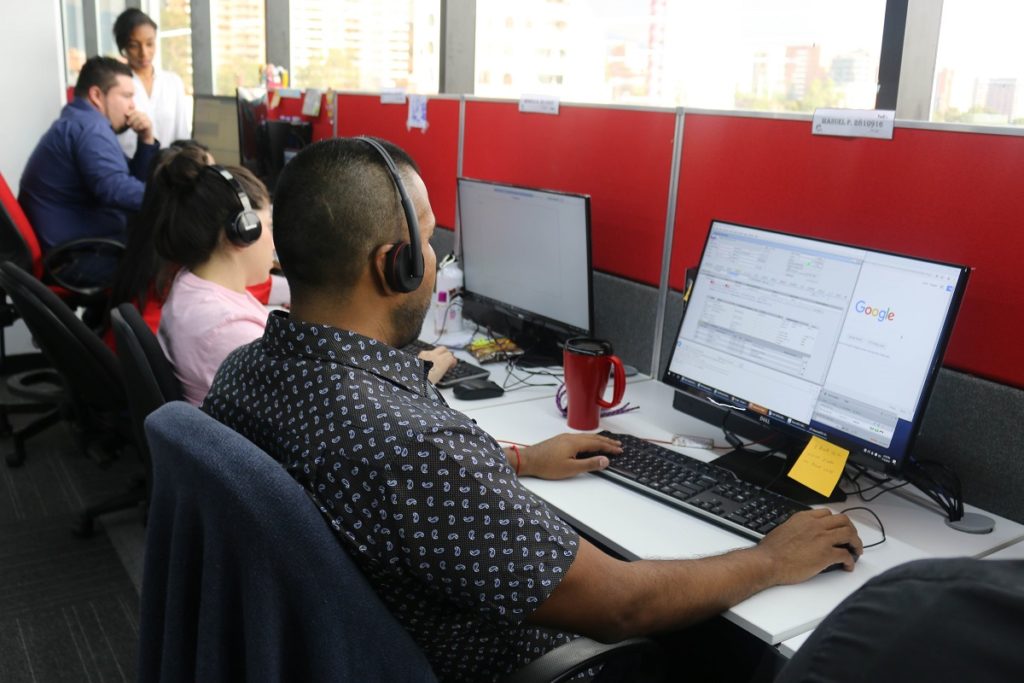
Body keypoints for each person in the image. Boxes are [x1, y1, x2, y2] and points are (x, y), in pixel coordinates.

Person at [201, 137, 864, 683]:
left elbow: (380, 487)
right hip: (500, 662)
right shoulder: (414, 448)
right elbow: (622, 605)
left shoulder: (244, 372)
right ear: (392, 267)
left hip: (336, 650)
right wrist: (771, 558)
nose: (433, 258)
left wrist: (515, 459)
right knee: (734, 652)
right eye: (428, 241)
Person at [19, 56, 158, 286]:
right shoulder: (90, 127)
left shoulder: (79, 121)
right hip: (75, 258)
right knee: (168, 261)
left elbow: (128, 181)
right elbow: (114, 189)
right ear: (96, 95)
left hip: (74, 249)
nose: (133, 106)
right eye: (126, 96)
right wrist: (171, 198)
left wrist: (146, 140)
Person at [113, 8, 190, 158]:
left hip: (169, 167)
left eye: (149, 44)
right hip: (130, 166)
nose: (144, 53)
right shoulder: (116, 85)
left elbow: (182, 136)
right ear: (123, 47)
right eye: (134, 45)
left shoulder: (172, 82)